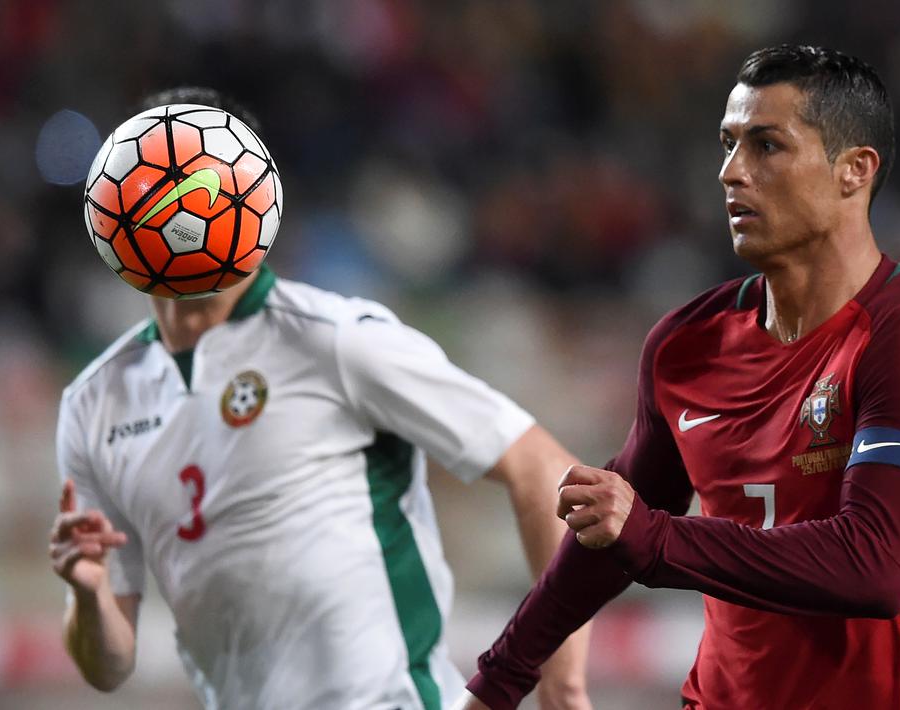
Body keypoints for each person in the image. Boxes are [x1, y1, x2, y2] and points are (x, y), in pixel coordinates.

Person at [458, 45, 900, 710]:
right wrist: (497, 682)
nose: (730, 173)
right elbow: (608, 534)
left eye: (766, 146)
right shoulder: (686, 345)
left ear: (853, 170)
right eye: (727, 143)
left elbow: (876, 568)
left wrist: (654, 538)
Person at [48, 87, 591, 710]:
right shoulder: (95, 404)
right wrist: (89, 597)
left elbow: (544, 469)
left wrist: (562, 680)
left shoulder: (338, 341)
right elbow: (109, 667)